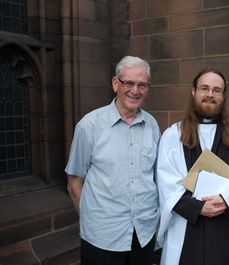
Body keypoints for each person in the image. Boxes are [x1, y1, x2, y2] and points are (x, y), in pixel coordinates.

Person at [156, 68, 229, 265]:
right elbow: (166, 183)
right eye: (204, 88)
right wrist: (198, 207)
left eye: (217, 90)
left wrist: (226, 200)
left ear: (223, 95)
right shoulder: (173, 135)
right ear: (194, 92)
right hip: (186, 226)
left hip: (228, 225)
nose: (210, 94)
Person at [65, 56, 160, 265]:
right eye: (129, 83)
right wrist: (94, 221)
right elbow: (74, 184)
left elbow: (154, 176)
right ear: (116, 83)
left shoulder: (152, 125)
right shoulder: (89, 126)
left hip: (143, 233)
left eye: (142, 85)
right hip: (102, 238)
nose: (135, 90)